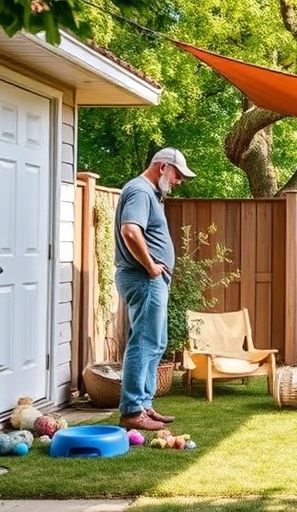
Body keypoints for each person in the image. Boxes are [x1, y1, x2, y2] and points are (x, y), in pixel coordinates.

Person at [113, 147, 196, 431]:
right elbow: (130, 231)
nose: (179, 181)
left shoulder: (150, 194)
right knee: (144, 342)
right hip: (143, 278)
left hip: (151, 280)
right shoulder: (140, 191)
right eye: (177, 174)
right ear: (162, 167)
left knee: (156, 342)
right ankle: (132, 410)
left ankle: (143, 405)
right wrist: (150, 266)